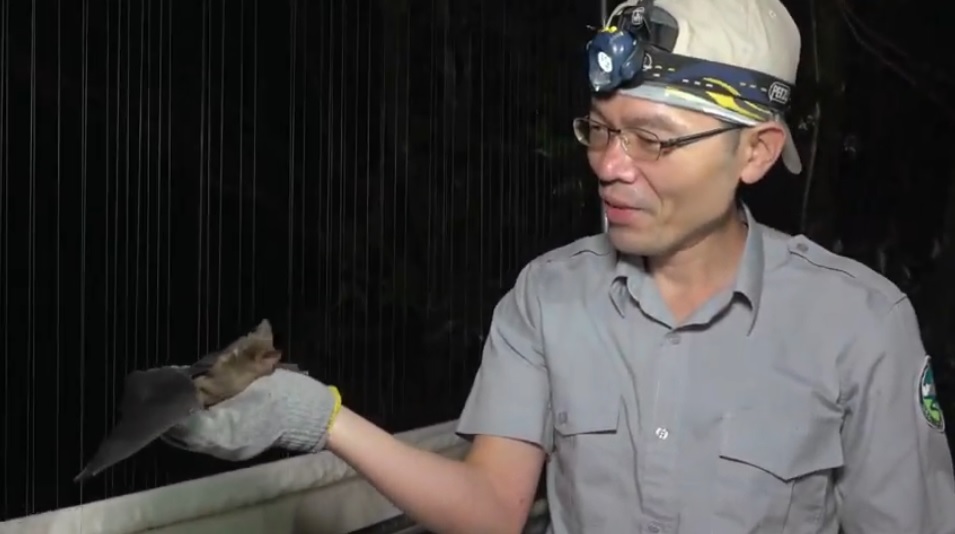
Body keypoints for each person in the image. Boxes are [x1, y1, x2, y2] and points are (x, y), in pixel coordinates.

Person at [162, 0, 955, 531]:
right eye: (600, 130)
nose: (611, 165)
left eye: (654, 139)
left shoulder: (859, 324)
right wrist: (318, 418)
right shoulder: (546, 297)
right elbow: (490, 507)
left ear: (755, 151)